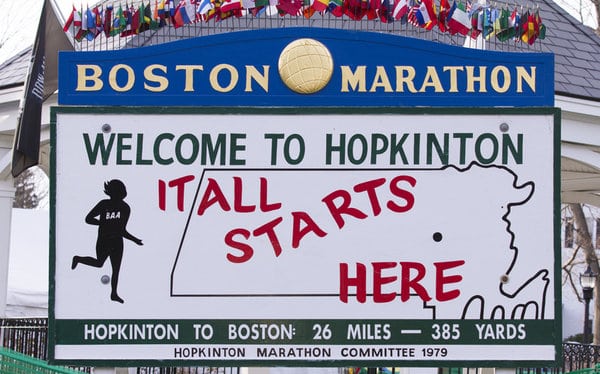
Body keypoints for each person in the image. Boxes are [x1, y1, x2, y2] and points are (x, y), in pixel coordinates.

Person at [71, 179, 143, 303]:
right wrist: (102, 223)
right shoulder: (103, 204)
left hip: (117, 242)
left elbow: (122, 230)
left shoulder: (125, 208)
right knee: (99, 263)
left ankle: (114, 293)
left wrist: (135, 240)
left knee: (116, 269)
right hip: (103, 240)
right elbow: (88, 219)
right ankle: (78, 259)